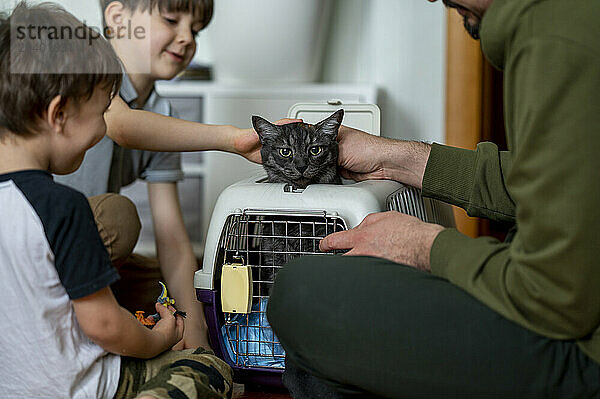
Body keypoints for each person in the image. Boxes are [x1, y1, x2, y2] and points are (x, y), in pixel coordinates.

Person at [267, 0, 600, 397]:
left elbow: (554, 293)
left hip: (585, 349)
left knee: (301, 295)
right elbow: (554, 181)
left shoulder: (554, 35)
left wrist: (423, 245)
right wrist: (399, 158)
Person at [0, 3, 232, 398]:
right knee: (119, 216)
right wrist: (234, 139)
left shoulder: (154, 109)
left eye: (196, 29)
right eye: (173, 20)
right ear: (118, 17)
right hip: (84, 360)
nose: (187, 38)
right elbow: (122, 125)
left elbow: (173, 239)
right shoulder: (83, 80)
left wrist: (196, 334)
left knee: (188, 284)